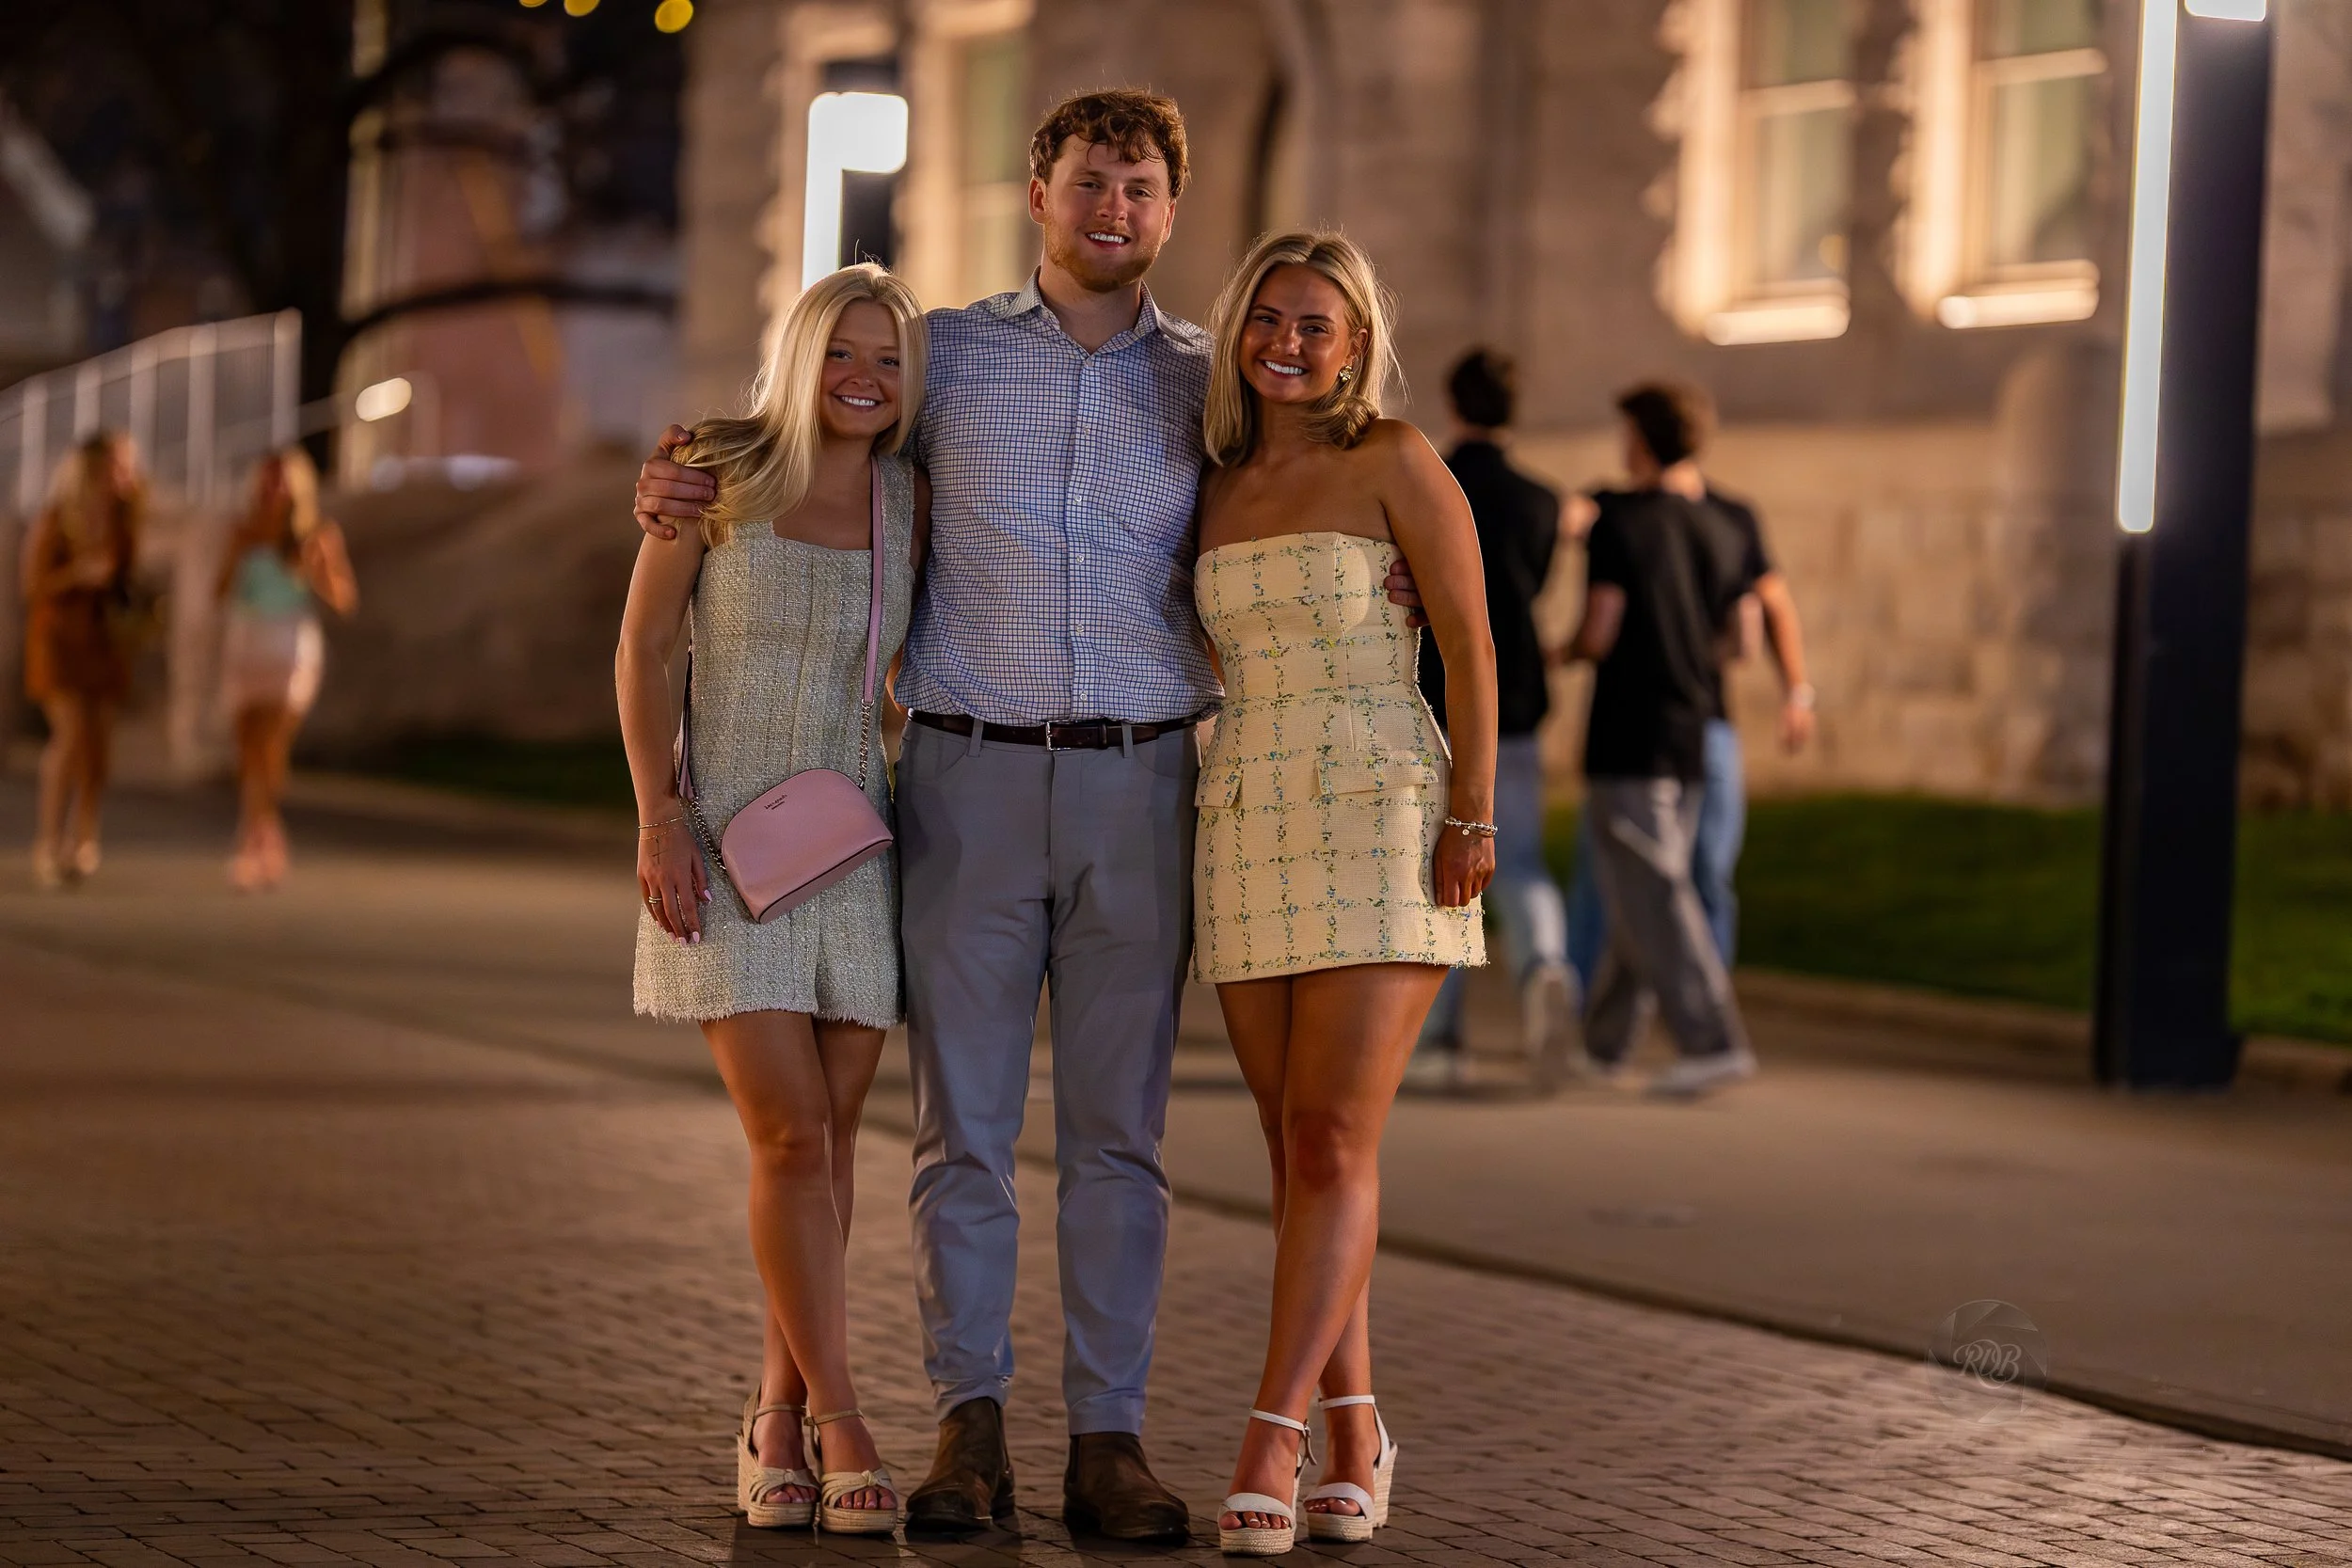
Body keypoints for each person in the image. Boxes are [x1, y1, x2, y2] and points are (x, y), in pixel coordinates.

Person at [631, 92, 1425, 1543]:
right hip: (963, 777)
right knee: (964, 1134)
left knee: (1122, 1137)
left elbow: (1316, 484)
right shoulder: (948, 357)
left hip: (1144, 782)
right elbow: (829, 419)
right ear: (1036, 195)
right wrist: (689, 477)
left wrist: (1398, 582)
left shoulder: (1216, 382)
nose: (1112, 209)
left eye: (1139, 188)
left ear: (1169, 214)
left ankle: (1109, 1440)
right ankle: (967, 1423)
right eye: (1088, 184)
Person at [1192, 231, 1497, 1555]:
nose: (1290, 343)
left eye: (1318, 324)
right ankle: (1361, 1421)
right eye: (1268, 318)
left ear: (1359, 341)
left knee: (1330, 1141)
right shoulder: (1209, 479)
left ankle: (1276, 1430)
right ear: (1237, 332)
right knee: (1300, 1152)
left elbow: (1478, 647)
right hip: (1246, 806)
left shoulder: (1399, 461)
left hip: (1382, 804)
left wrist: (1472, 810)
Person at [618, 264, 929, 1537]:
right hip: (722, 848)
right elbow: (643, 649)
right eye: (845, 351)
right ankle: (843, 1417)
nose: (865, 376)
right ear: (803, 352)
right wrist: (658, 813)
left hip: (858, 843)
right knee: (791, 1134)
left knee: (833, 1144)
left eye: (891, 360)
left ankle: (773, 1416)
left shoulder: (917, 497)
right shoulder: (712, 470)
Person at [1564, 383, 1813, 997]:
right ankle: (1597, 1015)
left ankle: (1703, 1011)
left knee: (1689, 871)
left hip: (1687, 721)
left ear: (1643, 438)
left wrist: (1798, 691)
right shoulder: (1622, 509)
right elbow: (1749, 630)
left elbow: (1767, 612)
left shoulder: (1726, 518)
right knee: (1623, 874)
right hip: (1685, 716)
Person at [1560, 384, 1756, 1097]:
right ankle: (1604, 1045)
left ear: (1639, 438)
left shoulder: (1621, 520)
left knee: (1656, 892)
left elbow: (1602, 622)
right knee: (1638, 891)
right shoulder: (1722, 525)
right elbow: (1745, 637)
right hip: (1696, 726)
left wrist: (1566, 651)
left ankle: (1711, 1040)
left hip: (1629, 729)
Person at [1409, 348, 1572, 1088]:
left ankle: (1442, 1037)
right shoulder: (1543, 500)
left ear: (1453, 400)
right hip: (1519, 692)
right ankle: (1545, 968)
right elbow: (1533, 588)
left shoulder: (1428, 484)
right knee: (1523, 857)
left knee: (1438, 867)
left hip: (1438, 693)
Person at [215, 448, 358, 892]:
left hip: (291, 645)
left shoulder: (317, 534)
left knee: (273, 744)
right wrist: (238, 555)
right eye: (269, 479)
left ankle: (260, 837)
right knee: (248, 747)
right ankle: (260, 832)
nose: (275, 488)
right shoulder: (243, 531)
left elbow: (343, 600)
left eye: (283, 480)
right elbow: (219, 593)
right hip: (247, 640)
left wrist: (318, 567)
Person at [21, 433, 142, 890]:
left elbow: (126, 581)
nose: (127, 473)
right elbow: (32, 586)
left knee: (99, 746)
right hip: (59, 642)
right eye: (118, 465)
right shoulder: (58, 519)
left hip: (103, 642)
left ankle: (84, 835)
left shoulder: (124, 519)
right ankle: (48, 841)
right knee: (69, 737)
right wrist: (77, 573)